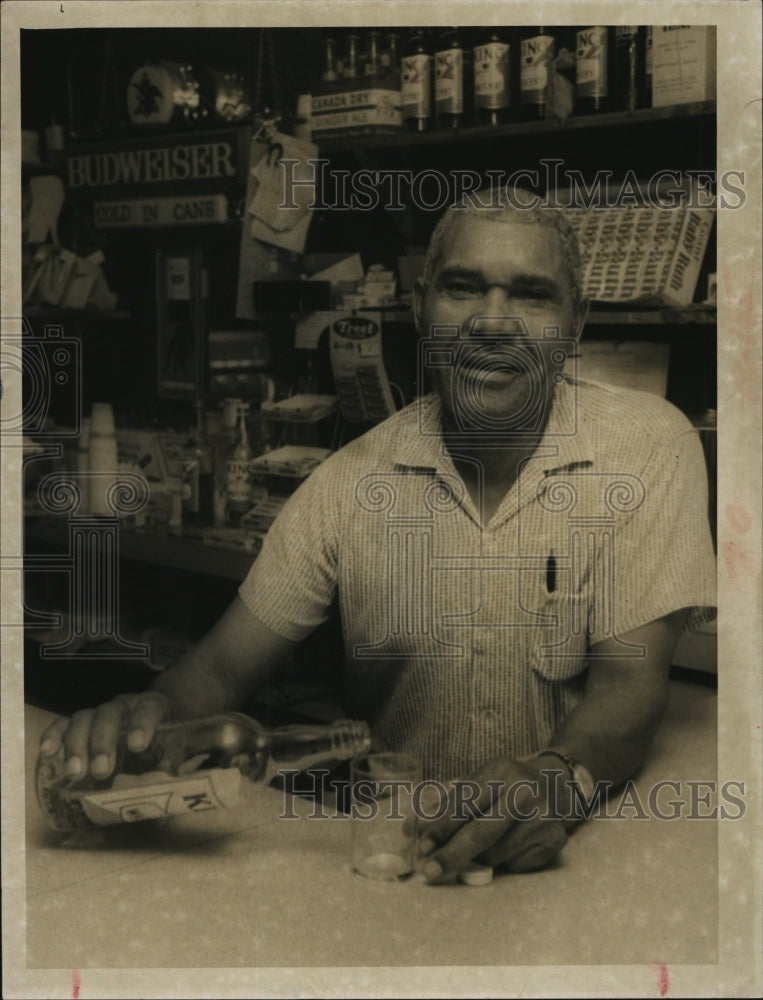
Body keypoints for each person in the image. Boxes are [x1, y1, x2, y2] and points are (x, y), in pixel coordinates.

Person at [39, 192, 716, 882]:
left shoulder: (646, 447)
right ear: (421, 306)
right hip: (400, 862)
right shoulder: (347, 481)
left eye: (531, 295)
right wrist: (143, 720)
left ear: (576, 322)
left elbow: (631, 684)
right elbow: (219, 670)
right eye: (462, 288)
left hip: (574, 860)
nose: (490, 321)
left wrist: (555, 780)